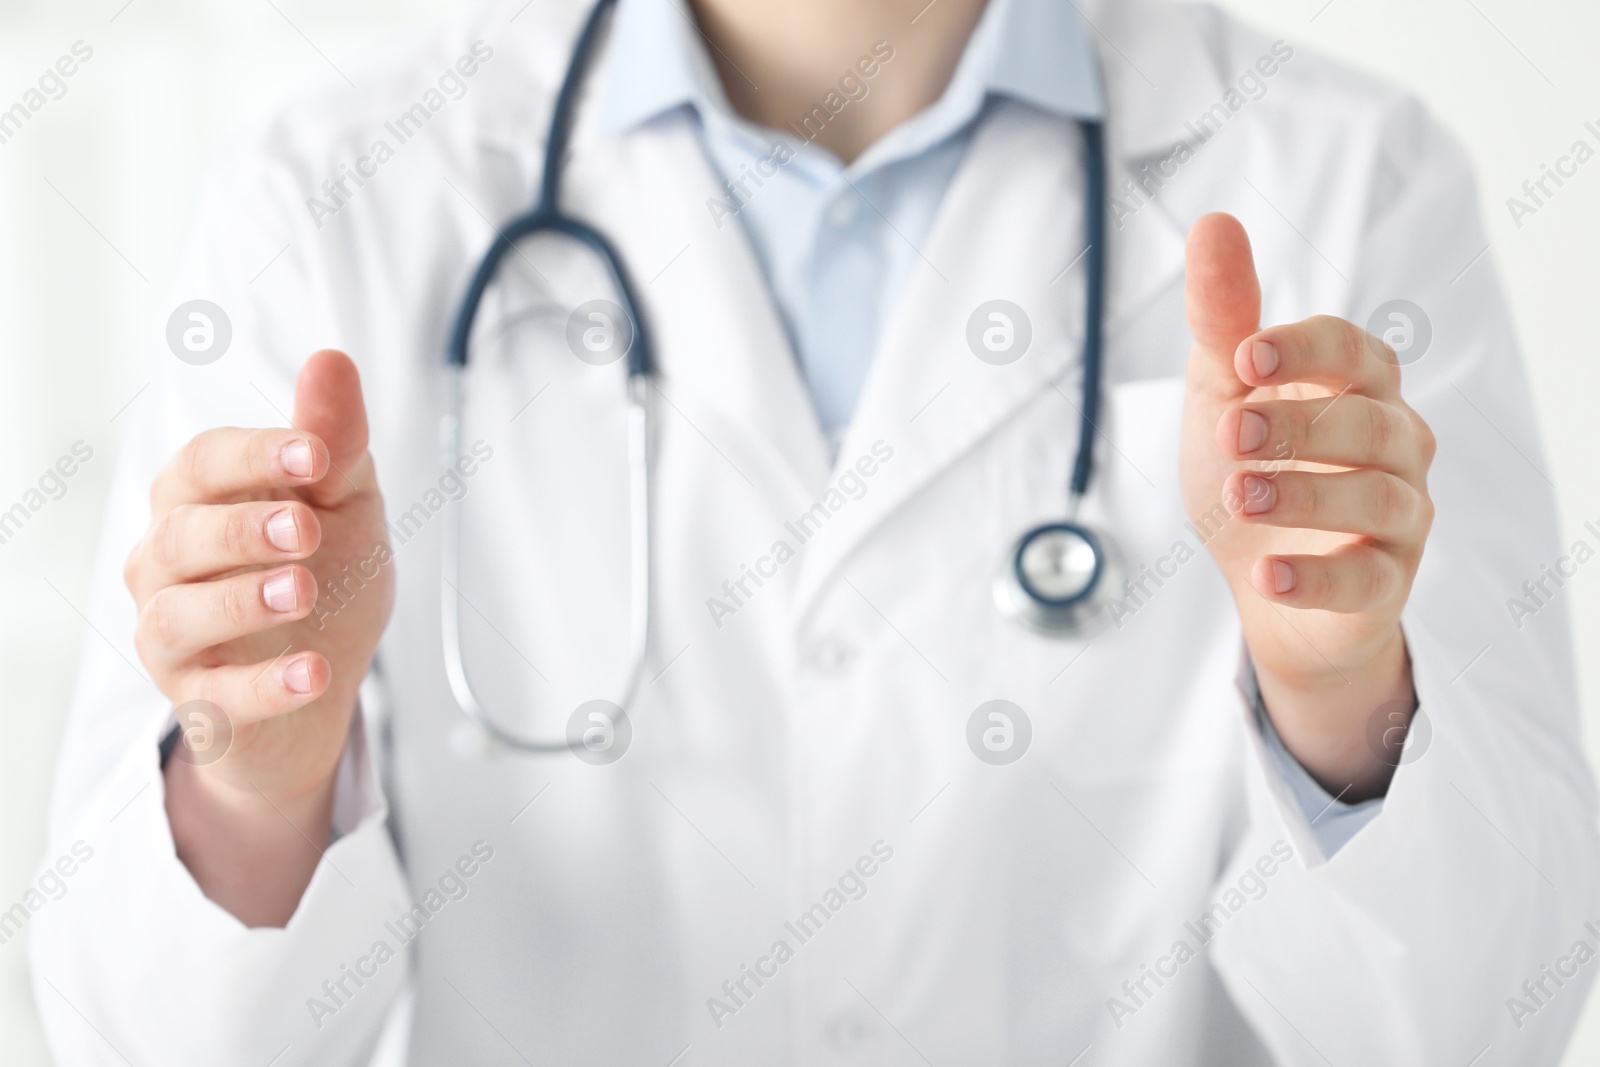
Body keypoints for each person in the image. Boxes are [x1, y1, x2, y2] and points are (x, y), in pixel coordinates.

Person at [29, 0, 1599, 1062]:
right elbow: (136, 1033)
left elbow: (1487, 1010)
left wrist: (1338, 700)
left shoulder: (1345, 180)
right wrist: (261, 773)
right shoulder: (341, 191)